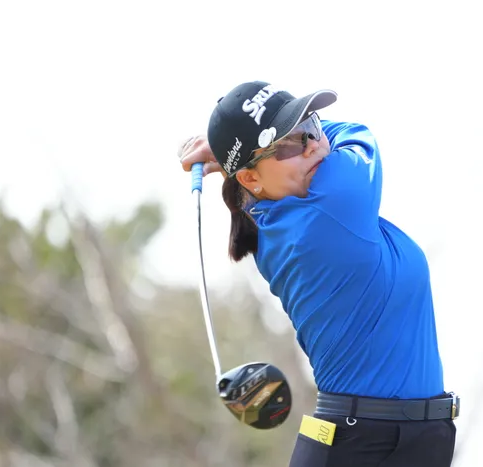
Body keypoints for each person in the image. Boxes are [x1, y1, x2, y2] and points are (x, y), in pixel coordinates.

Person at [178, 81, 458, 467]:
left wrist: (235, 153)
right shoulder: (330, 208)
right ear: (250, 179)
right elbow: (357, 133)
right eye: (287, 144)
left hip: (397, 440)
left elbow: (313, 146)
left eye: (310, 125)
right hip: (362, 445)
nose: (311, 145)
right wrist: (224, 152)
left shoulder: (275, 214)